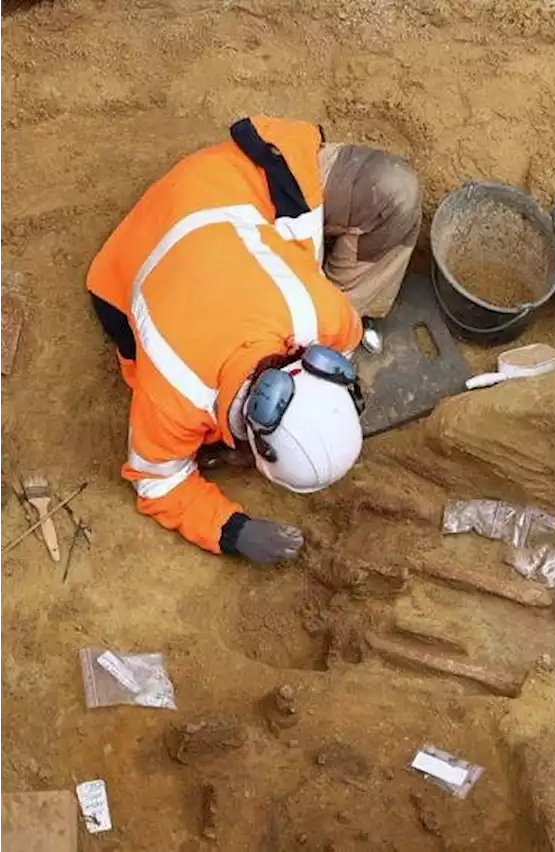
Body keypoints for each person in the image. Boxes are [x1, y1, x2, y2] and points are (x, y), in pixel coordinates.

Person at [86, 116, 423, 564]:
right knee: (209, 449)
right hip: (156, 232)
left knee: (392, 191)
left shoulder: (327, 316)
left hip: (229, 193)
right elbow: (157, 481)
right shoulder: (175, 396)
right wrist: (230, 531)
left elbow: (342, 340)